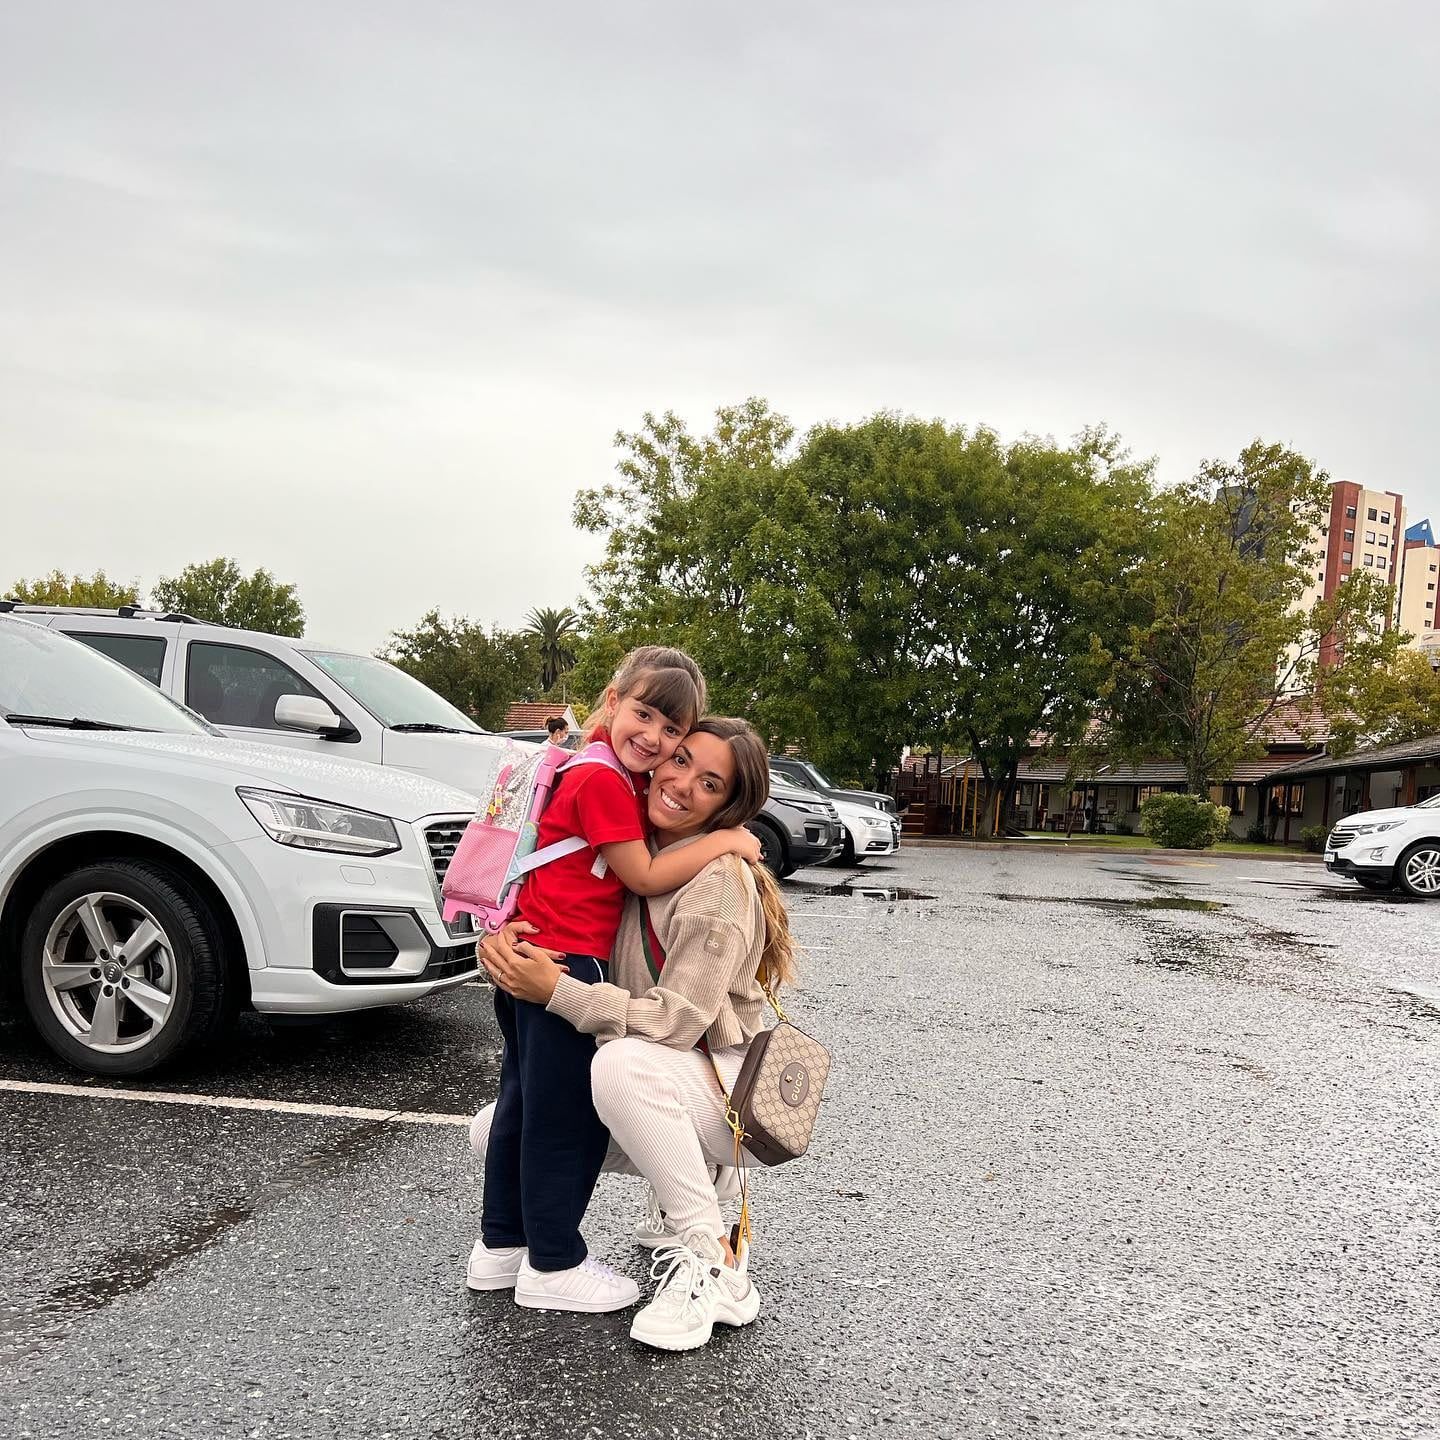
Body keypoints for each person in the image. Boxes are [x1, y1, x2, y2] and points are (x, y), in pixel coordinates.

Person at [477, 716, 797, 1352]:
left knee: (621, 1065)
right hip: (677, 1081)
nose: (680, 783)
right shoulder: (636, 856)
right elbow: (560, 910)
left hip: (724, 1098)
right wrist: (503, 944)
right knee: (502, 1123)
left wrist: (558, 992)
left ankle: (714, 1261)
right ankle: (681, 1184)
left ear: (728, 808)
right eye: (679, 761)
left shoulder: (716, 884)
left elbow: (679, 1023)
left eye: (709, 783)